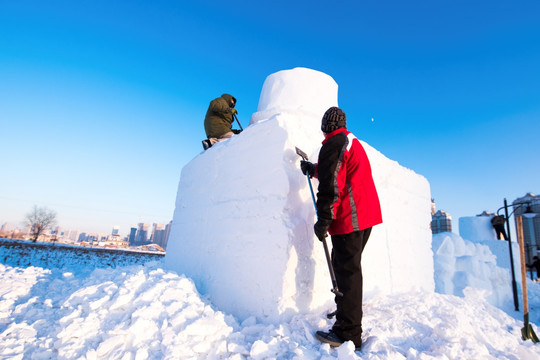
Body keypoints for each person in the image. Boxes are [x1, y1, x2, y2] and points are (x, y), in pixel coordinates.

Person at [300, 106, 382, 350]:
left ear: (326, 125)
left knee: (347, 273)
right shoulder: (349, 141)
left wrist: (324, 218)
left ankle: (348, 333)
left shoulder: (334, 143)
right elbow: (338, 170)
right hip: (364, 218)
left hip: (350, 218)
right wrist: (314, 169)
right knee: (346, 268)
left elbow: (332, 184)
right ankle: (345, 312)